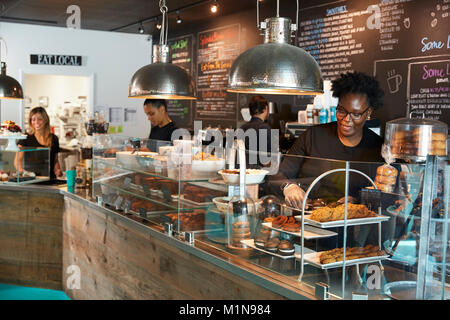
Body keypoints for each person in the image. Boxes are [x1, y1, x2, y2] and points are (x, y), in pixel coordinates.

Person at [268, 72, 385, 208]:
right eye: (341, 111)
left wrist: (358, 200)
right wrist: (289, 187)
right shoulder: (313, 136)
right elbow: (278, 175)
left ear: (369, 112)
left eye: (356, 114)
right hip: (309, 220)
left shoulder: (377, 147)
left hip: (354, 224)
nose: (347, 119)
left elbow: (382, 191)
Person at [16, 106, 62, 179]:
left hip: (50, 180)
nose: (36, 122)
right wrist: (23, 172)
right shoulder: (25, 138)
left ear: (45, 120)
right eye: (33, 119)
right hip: (32, 180)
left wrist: (57, 169)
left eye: (40, 119)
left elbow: (55, 160)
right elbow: (18, 161)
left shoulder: (54, 138)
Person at [239, 95, 272, 167]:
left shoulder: (242, 128)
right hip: (258, 173)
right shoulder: (264, 128)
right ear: (266, 109)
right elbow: (265, 161)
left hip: (242, 171)